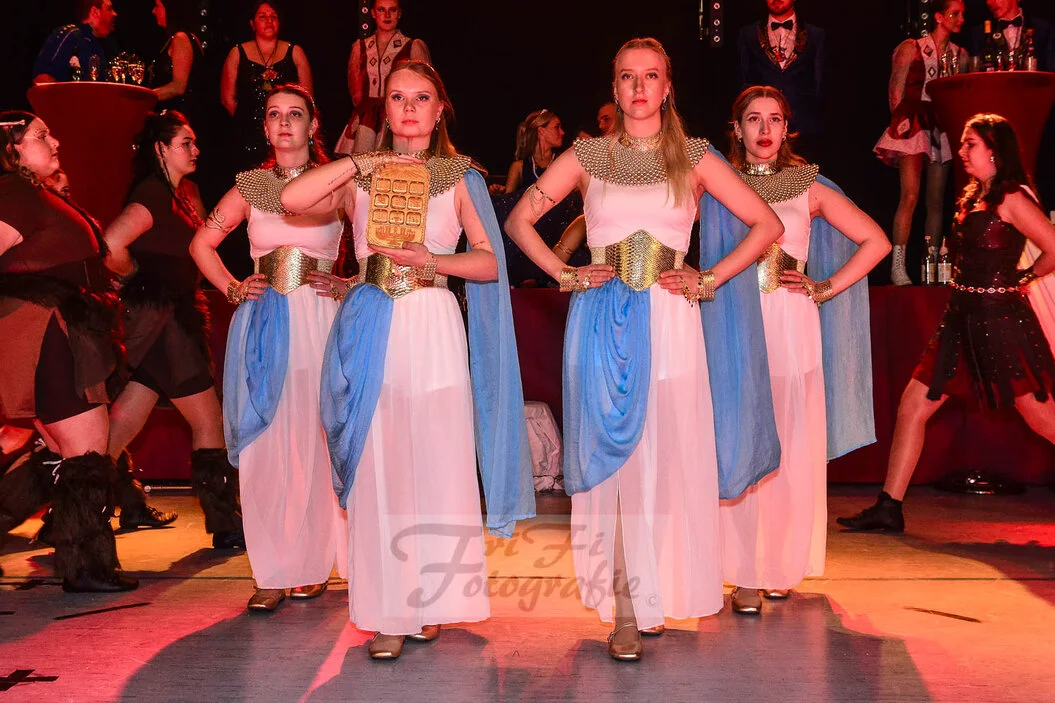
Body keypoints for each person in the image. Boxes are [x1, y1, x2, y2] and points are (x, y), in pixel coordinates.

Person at [505, 38, 784, 661]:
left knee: (666, 458)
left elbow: (768, 224)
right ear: (614, 88)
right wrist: (564, 272)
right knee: (616, 463)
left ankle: (656, 593)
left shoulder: (695, 156)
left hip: (671, 319)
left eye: (650, 76)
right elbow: (518, 221)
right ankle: (625, 607)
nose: (638, 88)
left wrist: (709, 279)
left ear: (666, 88)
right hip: (600, 318)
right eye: (627, 77)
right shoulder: (587, 156)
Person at [281, 60, 534, 660]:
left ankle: (431, 602)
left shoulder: (460, 176)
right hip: (372, 324)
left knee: (435, 461)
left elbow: (490, 263)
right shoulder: (360, 177)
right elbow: (292, 199)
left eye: (422, 98)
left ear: (440, 108)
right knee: (380, 464)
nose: (410, 108)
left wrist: (433, 261)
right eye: (397, 98)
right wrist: (362, 161)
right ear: (385, 108)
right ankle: (390, 609)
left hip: (432, 320)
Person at [838, 114, 1055, 534]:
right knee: (913, 405)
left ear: (994, 151)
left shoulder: (1012, 198)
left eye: (971, 144)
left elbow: (1053, 247)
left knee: (1039, 415)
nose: (962, 151)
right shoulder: (975, 195)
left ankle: (888, 506)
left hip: (999, 322)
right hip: (959, 320)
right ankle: (889, 506)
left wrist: (1021, 279)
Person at [718, 86, 889, 614]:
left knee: (789, 448)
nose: (764, 129)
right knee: (738, 441)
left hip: (790, 324)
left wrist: (824, 287)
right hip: (734, 323)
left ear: (787, 127)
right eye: (754, 119)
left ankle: (779, 565)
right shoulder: (716, 182)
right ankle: (741, 571)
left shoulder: (807, 185)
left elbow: (877, 241)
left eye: (775, 119)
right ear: (737, 128)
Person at [190, 84, 347, 611]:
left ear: (312, 125)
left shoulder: (338, 181)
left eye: (295, 114)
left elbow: (378, 246)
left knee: (315, 440)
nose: (283, 122)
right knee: (265, 446)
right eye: (274, 114)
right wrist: (232, 287)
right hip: (263, 323)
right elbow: (201, 244)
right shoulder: (250, 186)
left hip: (319, 321)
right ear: (264, 127)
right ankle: (272, 570)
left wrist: (347, 284)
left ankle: (313, 564)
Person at [0, 111, 136, 593]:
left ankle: (82, 563)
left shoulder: (28, 192)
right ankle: (88, 567)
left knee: (66, 453)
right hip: (50, 333)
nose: (55, 141)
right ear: (11, 149)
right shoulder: (13, 193)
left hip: (59, 330)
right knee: (85, 454)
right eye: (41, 136)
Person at [102, 110, 245, 548]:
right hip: (166, 324)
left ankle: (75, 503)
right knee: (207, 419)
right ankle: (225, 523)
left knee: (123, 420)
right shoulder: (151, 193)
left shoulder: (181, 193)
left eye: (195, 142)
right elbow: (110, 245)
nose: (195, 149)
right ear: (161, 148)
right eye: (186, 143)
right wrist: (136, 279)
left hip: (173, 319)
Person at [876, 1, 967, 286]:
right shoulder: (912, 47)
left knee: (936, 199)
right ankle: (898, 266)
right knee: (910, 195)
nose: (960, 19)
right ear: (939, 16)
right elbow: (895, 89)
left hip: (941, 125)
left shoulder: (960, 54)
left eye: (962, 14)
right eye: (955, 14)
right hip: (914, 122)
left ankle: (933, 266)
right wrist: (900, 122)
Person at [220, 2, 313, 171]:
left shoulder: (295, 52)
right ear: (252, 23)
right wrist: (249, 120)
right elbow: (227, 99)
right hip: (248, 136)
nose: (269, 21)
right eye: (262, 17)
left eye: (273, 17)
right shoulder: (237, 53)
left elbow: (307, 98)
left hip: (286, 132)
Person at [335, 0, 431, 155]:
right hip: (366, 117)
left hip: (398, 113)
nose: (387, 15)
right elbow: (355, 92)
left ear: (399, 13)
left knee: (397, 160)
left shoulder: (412, 46)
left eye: (392, 10)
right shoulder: (360, 47)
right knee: (361, 162)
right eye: (381, 10)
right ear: (373, 13)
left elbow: (425, 89)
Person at [737, 0, 826, 163]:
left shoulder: (816, 35)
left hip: (805, 130)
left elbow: (821, 84)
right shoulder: (748, 34)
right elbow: (743, 82)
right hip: (761, 132)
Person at [32, 0, 117, 84]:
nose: (115, 14)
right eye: (109, 9)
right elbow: (41, 78)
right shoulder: (70, 35)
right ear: (95, 12)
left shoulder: (105, 45)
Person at [147, 0, 205, 117]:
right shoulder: (176, 38)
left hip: (179, 117)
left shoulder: (181, 38)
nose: (153, 11)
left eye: (157, 5)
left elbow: (178, 86)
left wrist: (145, 97)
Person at [492, 109, 565, 195]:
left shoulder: (564, 161)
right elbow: (508, 198)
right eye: (556, 127)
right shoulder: (519, 167)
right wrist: (499, 192)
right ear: (541, 131)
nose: (562, 132)